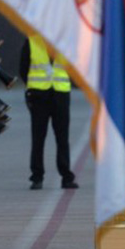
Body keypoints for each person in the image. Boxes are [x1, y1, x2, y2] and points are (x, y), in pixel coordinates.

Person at [20, 35, 78, 190]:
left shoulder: (66, 41)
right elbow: (23, 68)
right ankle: (37, 176)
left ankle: (66, 176)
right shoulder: (32, 41)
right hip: (39, 95)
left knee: (62, 137)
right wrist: (32, 88)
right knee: (38, 137)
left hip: (60, 93)